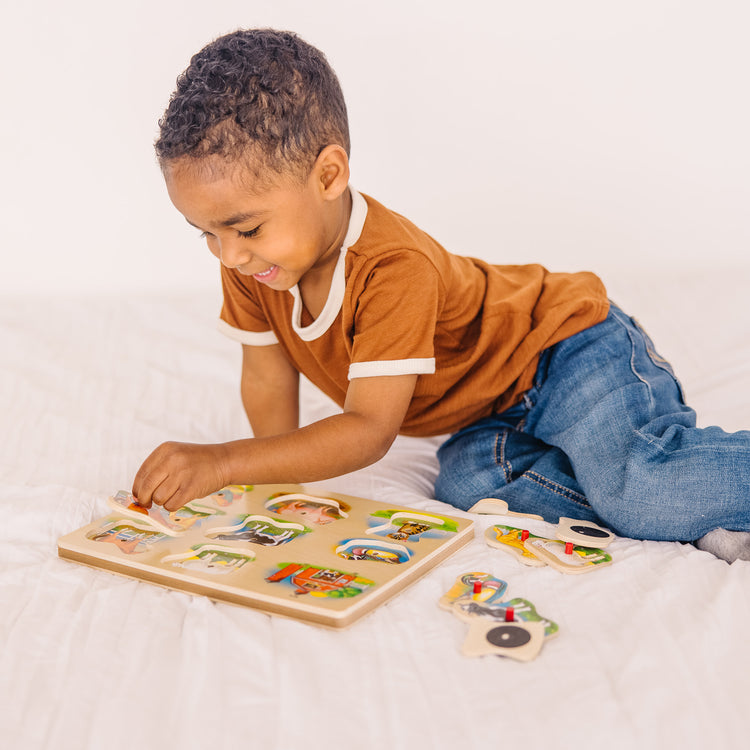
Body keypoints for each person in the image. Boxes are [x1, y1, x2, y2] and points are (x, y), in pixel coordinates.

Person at [132, 28, 750, 562]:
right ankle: (685, 514)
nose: (229, 255)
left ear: (329, 175)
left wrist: (226, 463)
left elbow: (370, 429)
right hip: (489, 409)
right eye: (206, 234)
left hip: (566, 347)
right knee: (471, 487)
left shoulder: (393, 265)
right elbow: (269, 379)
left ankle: (663, 495)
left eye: (245, 229)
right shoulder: (254, 265)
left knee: (641, 487)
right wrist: (270, 485)